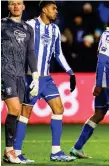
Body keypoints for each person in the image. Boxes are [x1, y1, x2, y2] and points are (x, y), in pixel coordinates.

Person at [13, 0, 76, 163]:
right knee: (25, 114)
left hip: (46, 79)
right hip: (30, 77)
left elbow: (58, 53)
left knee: (59, 109)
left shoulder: (55, 29)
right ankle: (16, 152)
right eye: (53, 8)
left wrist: (70, 72)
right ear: (44, 9)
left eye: (56, 9)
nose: (56, 11)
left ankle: (56, 152)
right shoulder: (29, 25)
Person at [69, 12, 109, 159]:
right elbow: (102, 61)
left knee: (99, 114)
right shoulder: (108, 36)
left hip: (106, 83)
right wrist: (98, 84)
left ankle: (77, 148)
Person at [1, 0, 39, 163]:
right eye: (12, 3)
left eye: (19, 3)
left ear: (24, 6)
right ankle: (10, 151)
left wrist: (35, 75)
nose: (16, 6)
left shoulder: (28, 28)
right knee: (15, 108)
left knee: (15, 113)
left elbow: (30, 52)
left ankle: (8, 152)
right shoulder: (2, 24)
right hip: (4, 72)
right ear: (8, 6)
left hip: (20, 75)